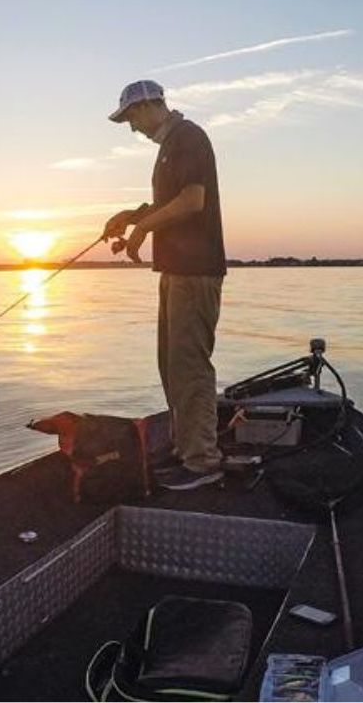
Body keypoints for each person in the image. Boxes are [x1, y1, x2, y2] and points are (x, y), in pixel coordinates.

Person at [102, 80, 227, 491]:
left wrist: (142, 233)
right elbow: (166, 204)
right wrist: (131, 216)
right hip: (175, 272)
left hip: (195, 271)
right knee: (171, 365)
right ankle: (185, 447)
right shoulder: (169, 148)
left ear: (152, 105)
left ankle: (203, 462)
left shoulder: (189, 138)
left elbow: (193, 202)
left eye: (132, 117)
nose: (132, 128)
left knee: (189, 366)